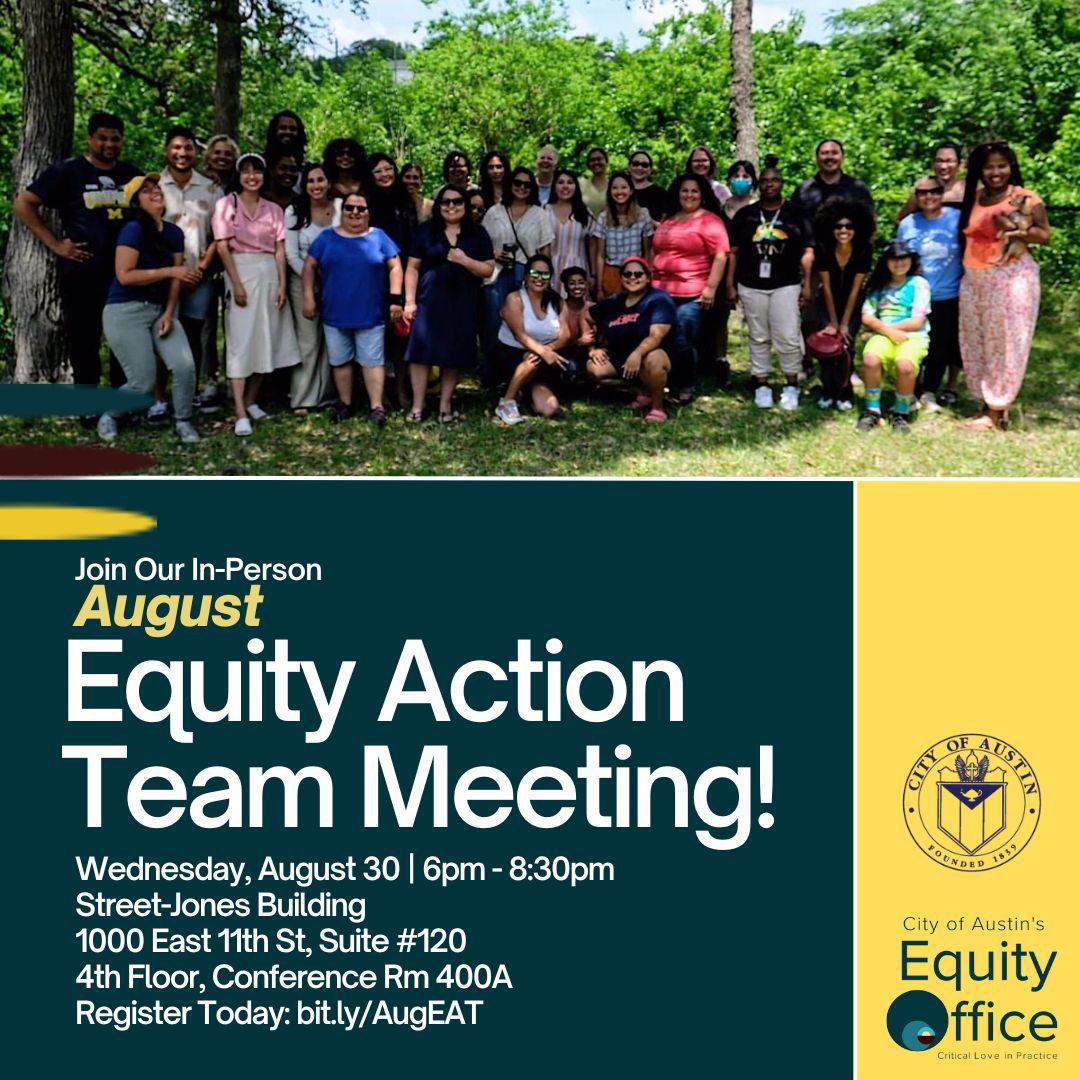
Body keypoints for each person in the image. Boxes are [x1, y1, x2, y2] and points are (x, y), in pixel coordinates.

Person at [14, 111, 139, 391]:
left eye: (115, 139)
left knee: (125, 337)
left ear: (122, 142)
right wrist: (56, 244)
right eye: (102, 138)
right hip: (83, 271)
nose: (109, 144)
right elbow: (24, 203)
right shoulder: (67, 171)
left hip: (124, 274)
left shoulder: (132, 175)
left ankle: (123, 400)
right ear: (90, 139)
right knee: (85, 339)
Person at [100, 174, 201, 443]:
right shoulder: (133, 230)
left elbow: (175, 280)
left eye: (156, 187)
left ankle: (183, 420)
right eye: (146, 191)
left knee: (184, 367)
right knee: (142, 383)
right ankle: (110, 413)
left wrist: (169, 312)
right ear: (136, 202)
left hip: (160, 311)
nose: (155, 191)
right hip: (125, 311)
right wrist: (171, 270)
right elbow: (125, 275)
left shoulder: (174, 233)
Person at [957, 141, 1049, 431]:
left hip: (1010, 279)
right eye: (989, 166)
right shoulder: (974, 196)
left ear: (1011, 168)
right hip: (974, 278)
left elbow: (1044, 235)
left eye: (1001, 165)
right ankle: (987, 400)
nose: (995, 172)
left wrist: (1013, 228)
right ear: (979, 170)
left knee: (1006, 343)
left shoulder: (1023, 198)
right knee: (976, 342)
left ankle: (996, 409)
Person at [212, 152, 301, 436]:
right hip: (241, 270)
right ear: (238, 176)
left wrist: (283, 284)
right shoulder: (227, 205)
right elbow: (223, 246)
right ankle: (239, 409)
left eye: (258, 172)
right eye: (246, 171)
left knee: (268, 337)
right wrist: (236, 284)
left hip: (269, 274)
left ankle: (252, 400)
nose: (252, 177)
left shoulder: (273, 209)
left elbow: (278, 249)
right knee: (241, 341)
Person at [303, 192, 403, 424]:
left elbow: (395, 265)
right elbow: (309, 267)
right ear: (343, 211)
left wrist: (395, 298)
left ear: (369, 212)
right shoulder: (326, 237)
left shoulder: (379, 237)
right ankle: (345, 403)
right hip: (335, 313)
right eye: (350, 208)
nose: (355, 213)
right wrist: (308, 297)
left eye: (361, 208)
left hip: (371, 312)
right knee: (340, 360)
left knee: (372, 361)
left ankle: (376, 407)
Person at [403, 184, 496, 422]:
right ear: (438, 206)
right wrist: (410, 301)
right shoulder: (425, 231)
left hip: (463, 301)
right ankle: (418, 405)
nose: (451, 206)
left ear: (465, 205)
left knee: (454, 353)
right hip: (428, 300)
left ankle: (445, 404)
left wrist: (465, 260)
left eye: (457, 201)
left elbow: (488, 269)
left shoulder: (478, 233)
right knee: (421, 353)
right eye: (445, 202)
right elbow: (412, 267)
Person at [726, 164, 814, 410]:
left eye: (774, 180)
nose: (769, 185)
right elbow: (734, 252)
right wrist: (729, 285)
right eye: (764, 181)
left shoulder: (796, 213)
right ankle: (761, 383)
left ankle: (791, 384)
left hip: (786, 283)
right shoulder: (746, 215)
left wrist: (807, 284)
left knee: (787, 336)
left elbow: (808, 251)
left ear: (781, 183)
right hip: (751, 283)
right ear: (759, 185)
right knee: (759, 335)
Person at [159, 125, 222, 411]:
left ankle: (190, 393)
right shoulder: (154, 186)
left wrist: (204, 266)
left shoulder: (211, 188)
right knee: (161, 331)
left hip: (199, 275)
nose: (182, 153)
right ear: (166, 151)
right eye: (176, 147)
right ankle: (159, 398)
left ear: (196, 152)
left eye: (188, 148)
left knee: (194, 334)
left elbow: (220, 235)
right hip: (163, 276)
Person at [651, 173, 728, 402]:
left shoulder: (710, 221)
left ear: (703, 195)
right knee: (662, 338)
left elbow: (721, 256)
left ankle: (685, 387)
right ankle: (665, 383)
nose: (689, 195)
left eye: (694, 191)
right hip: (662, 291)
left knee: (683, 340)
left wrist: (711, 288)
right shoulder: (669, 219)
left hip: (693, 292)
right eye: (685, 190)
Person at [898, 177, 963, 410]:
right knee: (913, 344)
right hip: (915, 296)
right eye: (923, 193)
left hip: (948, 294)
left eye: (934, 192)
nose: (929, 197)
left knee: (940, 347)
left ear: (941, 194)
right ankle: (911, 390)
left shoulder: (957, 220)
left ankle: (929, 391)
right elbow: (899, 258)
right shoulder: (908, 224)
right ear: (916, 196)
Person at [856, 239, 931, 435]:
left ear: (911, 260)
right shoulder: (878, 285)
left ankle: (901, 412)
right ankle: (872, 410)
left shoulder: (919, 284)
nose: (899, 263)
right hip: (884, 332)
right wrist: (887, 332)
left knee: (904, 364)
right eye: (893, 259)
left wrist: (881, 329)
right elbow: (867, 316)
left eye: (904, 258)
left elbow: (916, 321)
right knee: (871, 359)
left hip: (913, 335)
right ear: (886, 262)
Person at [481, 167, 554, 368]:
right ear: (509, 185)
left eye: (527, 184)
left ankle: (518, 368)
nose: (522, 187)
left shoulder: (539, 214)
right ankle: (493, 369)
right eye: (518, 183)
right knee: (494, 319)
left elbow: (545, 250)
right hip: (497, 272)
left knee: (524, 322)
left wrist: (545, 278)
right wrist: (493, 254)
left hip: (527, 273)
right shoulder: (494, 212)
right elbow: (482, 244)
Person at [585, 256, 674, 423]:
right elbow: (586, 316)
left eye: (638, 274)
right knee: (594, 368)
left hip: (651, 354)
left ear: (648, 278)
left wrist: (637, 354)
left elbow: (656, 335)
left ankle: (657, 407)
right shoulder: (614, 301)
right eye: (627, 274)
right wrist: (592, 347)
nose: (632, 278)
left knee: (653, 359)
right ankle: (641, 391)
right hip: (620, 356)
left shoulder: (659, 299)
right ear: (621, 278)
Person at [285, 162, 340, 413]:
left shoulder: (340, 208)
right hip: (301, 282)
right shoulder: (294, 211)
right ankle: (303, 398)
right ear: (304, 185)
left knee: (331, 341)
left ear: (328, 183)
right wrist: (311, 280)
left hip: (336, 282)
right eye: (311, 181)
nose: (316, 186)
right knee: (307, 340)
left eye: (320, 180)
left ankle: (328, 397)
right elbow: (291, 254)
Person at [366, 154, 420, 409]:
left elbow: (411, 242)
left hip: (403, 274)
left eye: (389, 169)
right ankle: (380, 394)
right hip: (374, 278)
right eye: (378, 171)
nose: (385, 174)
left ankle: (401, 390)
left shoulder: (405, 201)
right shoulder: (365, 203)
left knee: (401, 336)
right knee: (377, 338)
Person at [493, 254, 572, 423]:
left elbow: (566, 335)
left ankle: (525, 393)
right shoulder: (514, 299)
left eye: (545, 274)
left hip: (546, 357)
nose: (539, 278)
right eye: (534, 273)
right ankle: (506, 402)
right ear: (526, 276)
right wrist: (542, 352)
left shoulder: (557, 301)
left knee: (549, 409)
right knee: (532, 359)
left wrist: (547, 351)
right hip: (513, 353)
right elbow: (520, 335)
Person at [813, 197, 875, 409]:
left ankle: (845, 391)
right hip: (827, 303)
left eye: (849, 226)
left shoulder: (864, 251)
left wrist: (845, 323)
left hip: (853, 303)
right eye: (838, 226)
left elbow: (856, 290)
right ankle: (827, 390)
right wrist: (832, 321)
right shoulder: (822, 249)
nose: (843, 230)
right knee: (827, 347)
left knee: (846, 347)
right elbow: (826, 288)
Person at [791, 139, 875, 236]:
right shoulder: (803, 190)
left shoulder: (858, 189)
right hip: (811, 250)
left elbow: (870, 225)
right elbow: (793, 225)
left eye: (834, 153)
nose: (829, 157)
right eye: (824, 153)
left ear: (842, 158)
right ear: (817, 158)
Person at [592, 171, 654, 298]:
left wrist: (649, 278)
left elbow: (648, 251)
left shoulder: (642, 215)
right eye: (615, 188)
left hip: (635, 274)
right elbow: (600, 255)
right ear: (609, 192)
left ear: (631, 191)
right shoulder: (604, 217)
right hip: (611, 273)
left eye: (624, 187)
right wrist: (599, 288)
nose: (619, 191)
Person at [545, 169, 595, 296]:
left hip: (579, 270)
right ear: (554, 187)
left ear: (576, 187)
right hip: (552, 269)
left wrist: (593, 275)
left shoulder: (585, 212)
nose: (565, 186)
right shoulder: (545, 211)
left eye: (570, 182)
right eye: (561, 182)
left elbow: (592, 245)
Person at [896, 141, 966, 221]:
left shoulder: (968, 190)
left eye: (949, 161)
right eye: (939, 161)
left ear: (959, 164)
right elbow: (900, 220)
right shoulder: (923, 190)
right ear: (932, 164)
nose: (943, 166)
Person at [627, 150, 666, 223]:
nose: (640, 168)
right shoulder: (620, 191)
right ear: (629, 167)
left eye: (644, 165)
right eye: (635, 164)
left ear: (650, 170)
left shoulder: (660, 193)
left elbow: (664, 223)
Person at [581, 147, 610, 218]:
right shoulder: (581, 185)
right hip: (586, 227)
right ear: (588, 164)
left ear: (606, 162)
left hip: (609, 227)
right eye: (592, 160)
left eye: (599, 159)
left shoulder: (614, 186)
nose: (596, 162)